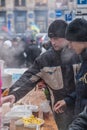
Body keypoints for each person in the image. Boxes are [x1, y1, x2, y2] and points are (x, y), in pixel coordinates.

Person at [3, 20, 79, 130]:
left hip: (81, 108)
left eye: (57, 38)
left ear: (67, 37)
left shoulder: (78, 54)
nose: (53, 42)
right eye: (51, 38)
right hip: (60, 111)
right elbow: (28, 77)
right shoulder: (45, 59)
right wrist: (14, 94)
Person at [54, 18, 87, 124]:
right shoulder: (84, 60)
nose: (70, 46)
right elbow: (83, 90)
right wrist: (67, 100)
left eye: (71, 41)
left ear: (82, 39)